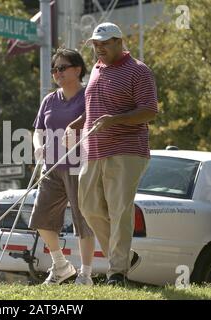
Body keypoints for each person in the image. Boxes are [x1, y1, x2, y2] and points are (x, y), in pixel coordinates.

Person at [64, 23, 158, 286]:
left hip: (127, 150)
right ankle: (124, 258)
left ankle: (117, 272)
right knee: (88, 207)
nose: (99, 48)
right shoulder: (97, 68)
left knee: (119, 210)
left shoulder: (138, 71)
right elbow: (98, 105)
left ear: (119, 41)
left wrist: (115, 121)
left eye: (104, 43)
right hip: (93, 149)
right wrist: (80, 120)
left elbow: (149, 111)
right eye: (95, 44)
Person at [29, 48, 95, 285]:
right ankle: (60, 265)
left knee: (83, 220)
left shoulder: (89, 95)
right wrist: (38, 147)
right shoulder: (49, 99)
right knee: (40, 218)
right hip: (51, 166)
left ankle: (85, 274)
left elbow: (94, 124)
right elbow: (38, 130)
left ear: (77, 69)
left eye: (62, 68)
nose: (57, 73)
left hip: (80, 165)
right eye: (54, 69)